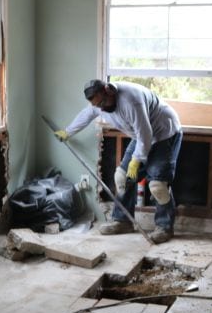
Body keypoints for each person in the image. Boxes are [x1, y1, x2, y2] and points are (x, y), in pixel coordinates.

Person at [54, 79, 182, 244]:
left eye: (102, 102)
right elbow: (87, 114)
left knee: (158, 186)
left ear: (109, 91)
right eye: (98, 106)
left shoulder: (131, 101)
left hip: (164, 133)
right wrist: (67, 132)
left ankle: (164, 227)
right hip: (142, 135)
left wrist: (136, 161)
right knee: (122, 178)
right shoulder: (100, 103)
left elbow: (146, 134)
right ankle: (122, 221)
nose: (102, 108)